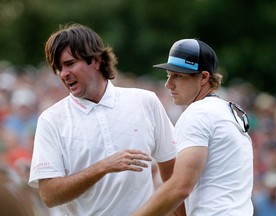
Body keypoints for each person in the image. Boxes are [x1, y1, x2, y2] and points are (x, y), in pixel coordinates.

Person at [28, 23, 178, 216]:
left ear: (96, 60)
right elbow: (49, 195)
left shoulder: (145, 101)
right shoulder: (51, 120)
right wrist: (103, 167)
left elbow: (172, 172)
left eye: (70, 63)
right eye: (59, 68)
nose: (63, 74)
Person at [132, 39, 254, 215]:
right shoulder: (226, 111)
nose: (168, 84)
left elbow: (180, 187)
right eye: (168, 75)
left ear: (203, 77)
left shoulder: (198, 113)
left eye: (178, 76)